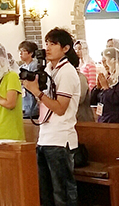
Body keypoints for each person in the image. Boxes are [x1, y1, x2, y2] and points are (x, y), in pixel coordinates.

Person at [23, 28, 80, 206]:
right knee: (45, 193)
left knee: (62, 192)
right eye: (46, 43)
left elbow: (61, 108)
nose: (47, 47)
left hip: (61, 138)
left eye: (53, 44)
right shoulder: (47, 69)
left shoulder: (67, 72)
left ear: (65, 48)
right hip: (45, 136)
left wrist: (36, 92)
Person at [91, 47, 119, 123]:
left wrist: (106, 87)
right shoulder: (107, 78)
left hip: (118, 121)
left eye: (106, 61)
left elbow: (116, 99)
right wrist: (97, 88)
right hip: (104, 120)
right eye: (102, 61)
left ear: (114, 61)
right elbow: (93, 101)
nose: (104, 64)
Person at [19, 40, 40, 119]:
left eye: (23, 51)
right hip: (24, 100)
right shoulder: (22, 67)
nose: (20, 54)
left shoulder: (35, 65)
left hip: (33, 102)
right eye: (20, 51)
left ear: (31, 53)